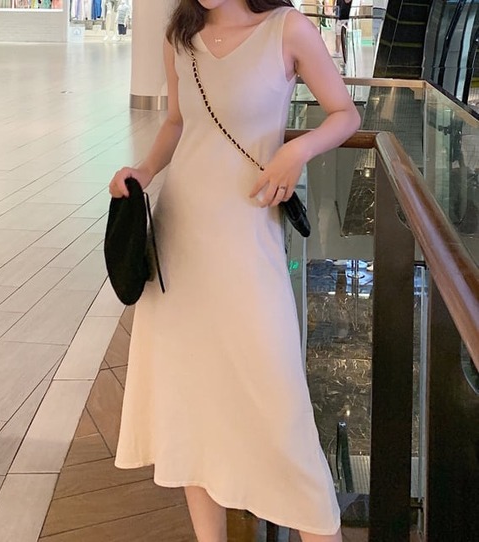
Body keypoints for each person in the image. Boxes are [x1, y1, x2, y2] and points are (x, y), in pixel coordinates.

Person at [109, 1, 360, 541]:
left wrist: (297, 151)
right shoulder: (179, 35)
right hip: (179, 243)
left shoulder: (287, 29)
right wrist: (143, 170)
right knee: (190, 400)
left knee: (279, 406)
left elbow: (345, 113)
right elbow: (177, 123)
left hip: (248, 243)